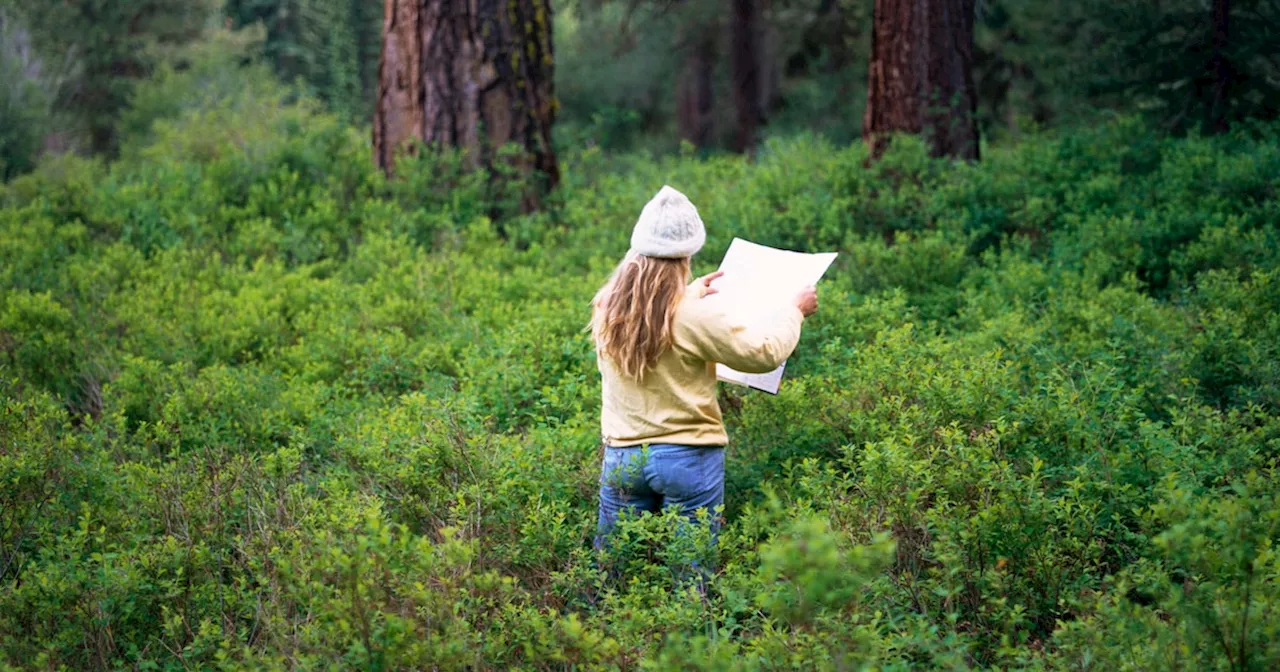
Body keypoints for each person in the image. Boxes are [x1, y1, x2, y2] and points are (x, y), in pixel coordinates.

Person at [589, 185, 819, 558]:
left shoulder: (607, 307)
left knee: (614, 573)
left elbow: (658, 317)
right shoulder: (695, 316)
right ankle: (689, 619)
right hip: (688, 456)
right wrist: (794, 311)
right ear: (687, 254)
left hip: (623, 457)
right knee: (690, 575)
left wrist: (692, 292)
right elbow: (763, 354)